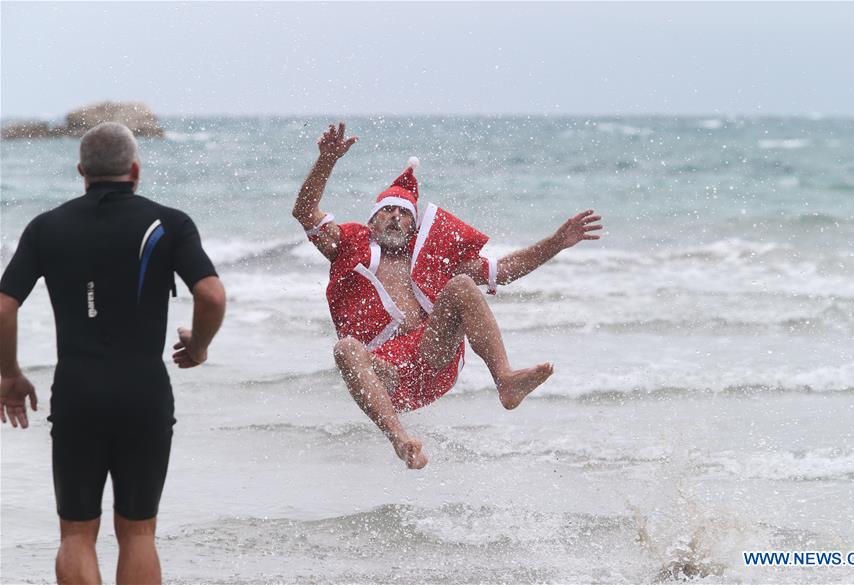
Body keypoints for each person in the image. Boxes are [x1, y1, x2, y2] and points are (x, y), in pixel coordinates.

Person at [292, 122, 602, 470]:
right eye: (387, 211)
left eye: (404, 214)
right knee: (346, 348)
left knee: (462, 286)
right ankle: (402, 440)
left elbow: (505, 270)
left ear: (414, 226)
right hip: (384, 373)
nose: (395, 217)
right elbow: (305, 212)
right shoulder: (349, 244)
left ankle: (506, 381)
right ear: (373, 220)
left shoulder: (435, 257)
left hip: (433, 356)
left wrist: (556, 242)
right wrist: (327, 161)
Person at [0, 122, 226, 584]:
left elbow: (3, 306)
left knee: (76, 535)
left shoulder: (47, 227)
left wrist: (10, 374)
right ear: (135, 170)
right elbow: (213, 296)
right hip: (144, 392)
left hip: (78, 393)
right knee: (139, 533)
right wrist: (198, 346)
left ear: (81, 170)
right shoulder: (169, 223)